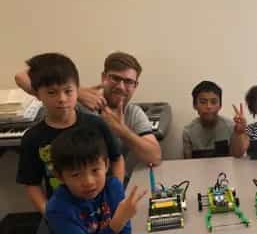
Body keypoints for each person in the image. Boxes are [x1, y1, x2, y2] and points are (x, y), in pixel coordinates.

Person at [15, 53, 125, 234]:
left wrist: (116, 196)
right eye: (52, 93)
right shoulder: (33, 138)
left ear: (78, 90)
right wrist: (50, 213)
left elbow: (116, 159)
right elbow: (31, 183)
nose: (62, 99)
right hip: (63, 211)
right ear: (37, 94)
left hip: (101, 206)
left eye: (68, 91)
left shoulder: (96, 124)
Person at [15, 51, 161, 168]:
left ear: (135, 86)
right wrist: (77, 92)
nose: (121, 86)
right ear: (103, 77)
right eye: (115, 78)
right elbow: (21, 77)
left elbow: (154, 157)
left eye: (128, 82)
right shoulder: (72, 104)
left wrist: (120, 130)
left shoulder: (133, 113)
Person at [182, 80, 234, 158]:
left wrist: (240, 134)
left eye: (213, 102)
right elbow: (188, 162)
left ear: (220, 105)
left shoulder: (231, 127)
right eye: (203, 102)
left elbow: (235, 160)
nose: (209, 106)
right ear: (195, 105)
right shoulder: (188, 131)